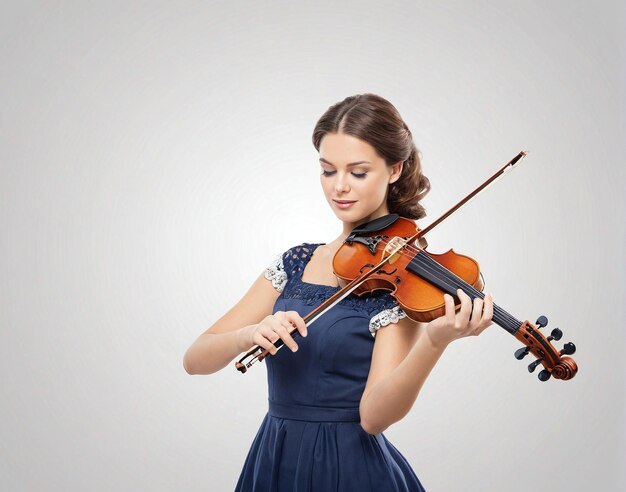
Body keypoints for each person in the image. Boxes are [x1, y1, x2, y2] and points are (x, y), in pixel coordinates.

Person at [183, 93, 494, 491]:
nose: (340, 187)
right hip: (275, 457)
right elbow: (195, 360)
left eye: (358, 172)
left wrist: (434, 342)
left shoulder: (399, 285)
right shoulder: (296, 262)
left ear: (395, 169)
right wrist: (250, 333)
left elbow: (374, 417)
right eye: (328, 171)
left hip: (349, 468)